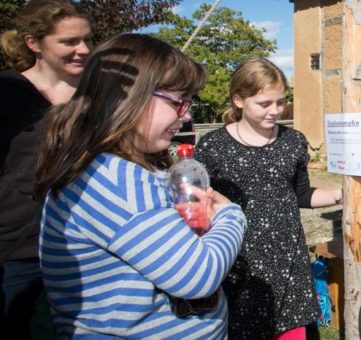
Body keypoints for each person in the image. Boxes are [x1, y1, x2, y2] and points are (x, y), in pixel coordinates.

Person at [33, 33, 247, 338]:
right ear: (127, 98)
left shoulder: (114, 170)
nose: (186, 115)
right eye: (177, 101)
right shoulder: (115, 181)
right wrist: (230, 214)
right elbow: (198, 276)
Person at [194, 58, 342, 339]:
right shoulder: (212, 147)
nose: (275, 111)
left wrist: (340, 194)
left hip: (290, 262)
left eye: (280, 102)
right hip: (239, 264)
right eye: (265, 104)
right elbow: (201, 209)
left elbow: (301, 194)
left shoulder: (293, 141)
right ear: (238, 100)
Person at [0, 1, 91, 337]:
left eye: (86, 39)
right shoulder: (7, 93)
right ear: (33, 43)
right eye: (69, 41)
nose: (82, 49)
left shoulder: (93, 97)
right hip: (19, 251)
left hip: (82, 243)